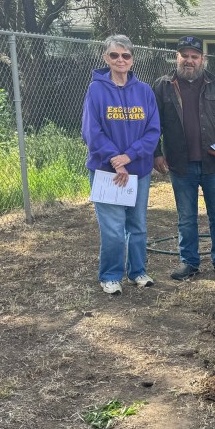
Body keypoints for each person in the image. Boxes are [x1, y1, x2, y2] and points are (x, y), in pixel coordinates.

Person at [152, 36, 215, 281]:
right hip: (180, 164)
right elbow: (153, 124)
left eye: (194, 56)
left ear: (202, 59)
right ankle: (189, 262)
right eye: (184, 55)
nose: (189, 60)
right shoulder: (163, 86)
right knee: (186, 218)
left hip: (213, 163)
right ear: (177, 57)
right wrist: (156, 153)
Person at [81, 35, 161, 295]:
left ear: (132, 59)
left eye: (125, 55)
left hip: (138, 171)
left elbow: (153, 130)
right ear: (105, 58)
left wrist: (129, 157)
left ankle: (138, 272)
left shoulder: (144, 91)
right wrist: (115, 160)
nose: (120, 60)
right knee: (113, 229)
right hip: (107, 172)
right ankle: (110, 275)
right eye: (114, 55)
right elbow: (91, 131)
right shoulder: (96, 90)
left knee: (137, 226)